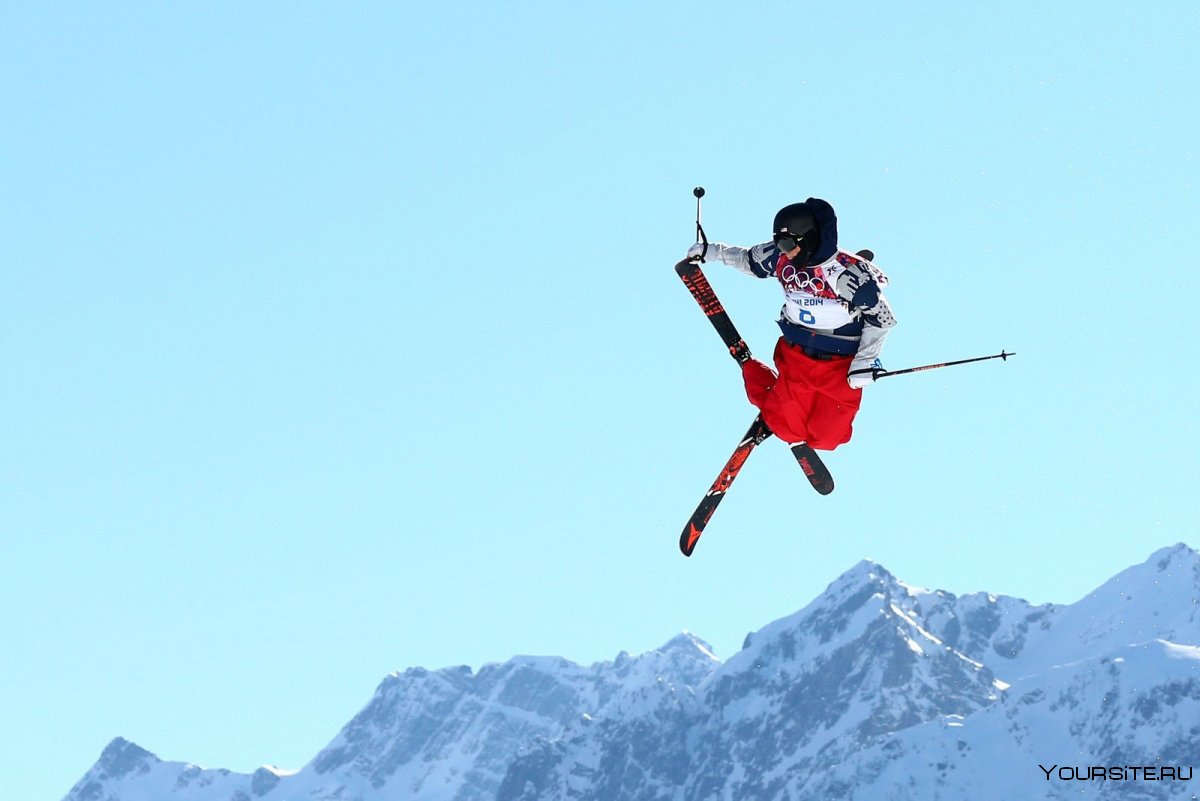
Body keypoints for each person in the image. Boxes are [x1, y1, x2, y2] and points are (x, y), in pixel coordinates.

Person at [686, 198, 897, 451]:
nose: (784, 251)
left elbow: (882, 319)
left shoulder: (846, 276)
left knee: (830, 438)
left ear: (808, 237)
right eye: (779, 244)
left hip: (839, 365)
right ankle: (756, 377)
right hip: (798, 356)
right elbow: (747, 260)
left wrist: (866, 361)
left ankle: (782, 408)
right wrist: (712, 251)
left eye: (787, 244)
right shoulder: (780, 259)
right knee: (786, 428)